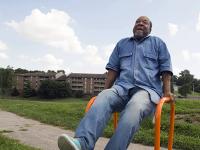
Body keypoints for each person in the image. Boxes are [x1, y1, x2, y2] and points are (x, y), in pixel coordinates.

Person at [58, 16, 173, 150]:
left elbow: (166, 68)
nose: (140, 23)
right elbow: (113, 69)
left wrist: (167, 92)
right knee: (103, 97)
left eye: (144, 22)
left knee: (135, 107)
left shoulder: (158, 43)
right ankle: (82, 143)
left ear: (150, 28)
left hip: (146, 91)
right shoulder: (122, 44)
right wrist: (105, 91)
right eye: (137, 22)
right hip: (122, 89)